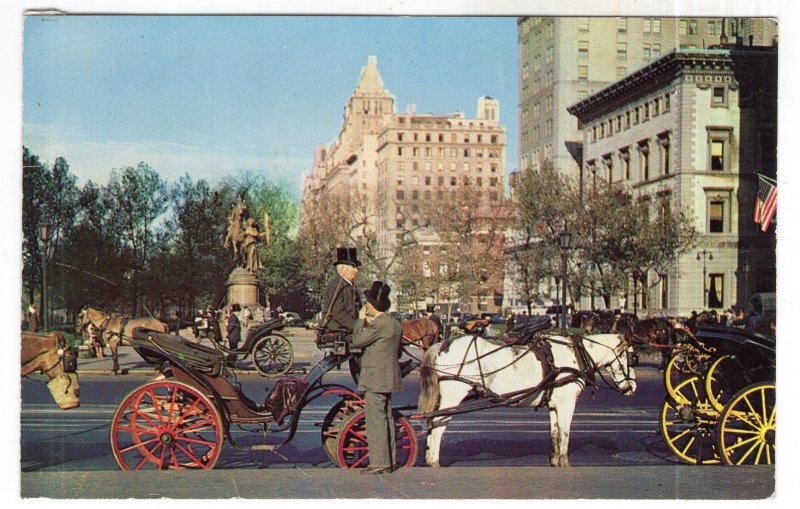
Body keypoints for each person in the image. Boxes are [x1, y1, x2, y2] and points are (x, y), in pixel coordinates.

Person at [349, 280, 402, 475]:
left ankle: (379, 463)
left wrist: (360, 320)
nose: (365, 307)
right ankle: (390, 461)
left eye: (366, 305)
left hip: (375, 379)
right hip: (388, 378)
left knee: (376, 421)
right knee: (386, 418)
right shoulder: (394, 324)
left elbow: (357, 340)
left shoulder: (378, 324)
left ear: (371, 306)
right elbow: (398, 353)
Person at [319, 247, 362, 336]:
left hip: (347, 329)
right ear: (343, 269)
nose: (356, 270)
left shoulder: (350, 286)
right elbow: (338, 313)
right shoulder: (335, 286)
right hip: (338, 330)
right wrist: (356, 327)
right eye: (353, 267)